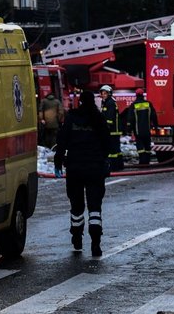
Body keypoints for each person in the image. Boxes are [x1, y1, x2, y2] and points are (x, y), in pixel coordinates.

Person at [53, 90, 111, 257]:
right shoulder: (98, 118)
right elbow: (107, 142)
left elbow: (62, 141)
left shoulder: (72, 118)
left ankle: (77, 237)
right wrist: (103, 159)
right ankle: (96, 243)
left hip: (75, 168)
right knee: (95, 207)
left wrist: (58, 162)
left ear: (80, 101)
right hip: (94, 168)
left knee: (76, 206)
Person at [122, 88, 158, 165]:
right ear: (143, 95)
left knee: (140, 146)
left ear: (136, 95)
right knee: (147, 146)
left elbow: (130, 118)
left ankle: (142, 162)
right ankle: (147, 162)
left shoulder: (134, 105)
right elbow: (154, 116)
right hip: (147, 130)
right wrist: (155, 125)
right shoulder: (148, 104)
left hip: (138, 131)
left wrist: (128, 129)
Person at [99, 84, 123, 171]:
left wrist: (105, 128)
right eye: (102, 93)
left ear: (109, 93)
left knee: (112, 150)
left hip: (112, 130)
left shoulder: (110, 103)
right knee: (116, 149)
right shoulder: (108, 102)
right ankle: (119, 165)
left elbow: (109, 118)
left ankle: (114, 167)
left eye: (105, 93)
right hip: (114, 130)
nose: (103, 95)